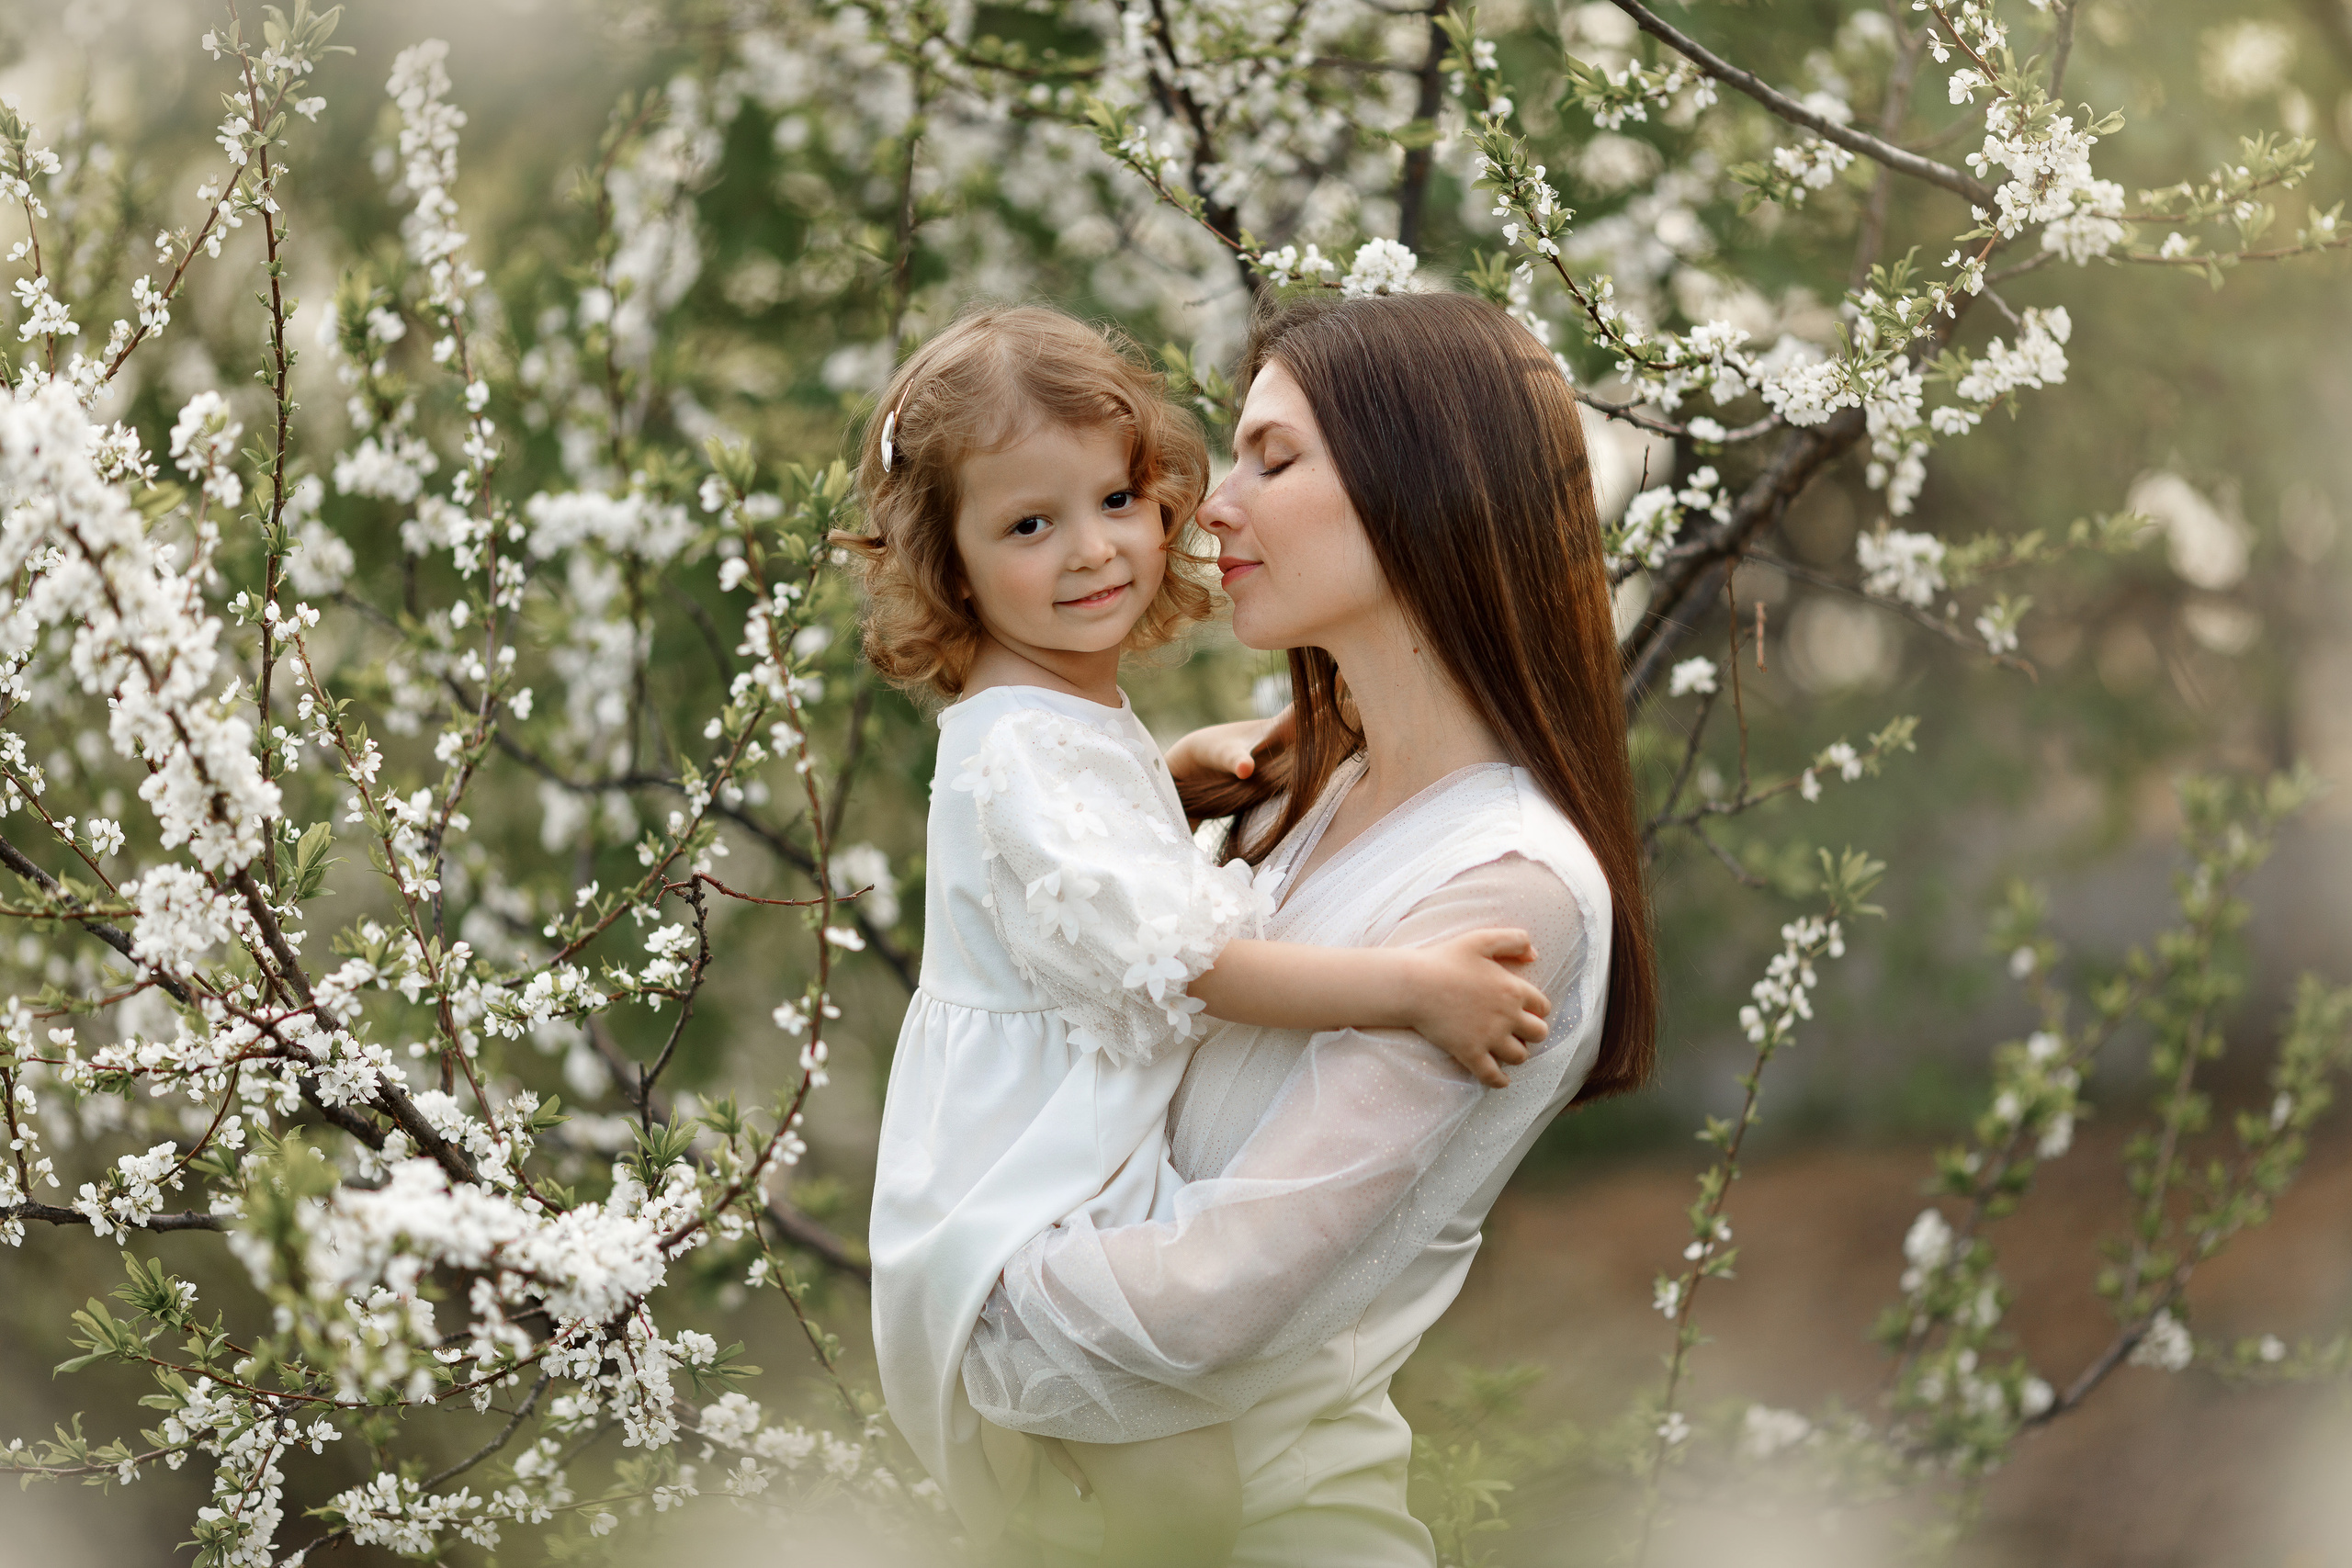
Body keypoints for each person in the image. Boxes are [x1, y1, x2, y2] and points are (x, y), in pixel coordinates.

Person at [842, 303, 1557, 1566]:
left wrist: (1163, 774)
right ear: (951, 571)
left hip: (1056, 1165)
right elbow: (1191, 965)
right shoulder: (1023, 742)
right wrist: (1407, 990)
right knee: (1181, 1511)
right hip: (1028, 1187)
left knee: (1169, 1502)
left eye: (1117, 500)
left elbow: (1062, 868)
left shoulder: (1042, 716)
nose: (1092, 552)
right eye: (1027, 526)